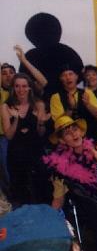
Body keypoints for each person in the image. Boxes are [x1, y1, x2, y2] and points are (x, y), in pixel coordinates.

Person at [1, 73, 50, 205]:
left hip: (35, 151)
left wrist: (41, 123)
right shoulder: (5, 107)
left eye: (24, 86)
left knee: (41, 190)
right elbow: (9, 136)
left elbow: (41, 133)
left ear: (29, 88)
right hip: (16, 154)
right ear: (13, 88)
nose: (21, 90)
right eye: (17, 86)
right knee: (20, 194)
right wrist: (16, 119)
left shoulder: (38, 104)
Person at [43, 116, 97, 210]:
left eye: (75, 129)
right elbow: (58, 199)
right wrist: (50, 216)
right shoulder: (60, 167)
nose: (73, 134)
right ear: (62, 140)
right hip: (87, 209)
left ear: (81, 132)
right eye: (67, 133)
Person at [50, 64, 97, 142]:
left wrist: (88, 104)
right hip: (68, 140)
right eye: (64, 75)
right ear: (61, 79)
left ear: (76, 76)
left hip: (90, 137)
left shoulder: (87, 92)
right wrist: (70, 108)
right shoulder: (56, 97)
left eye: (70, 74)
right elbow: (58, 124)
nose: (68, 77)